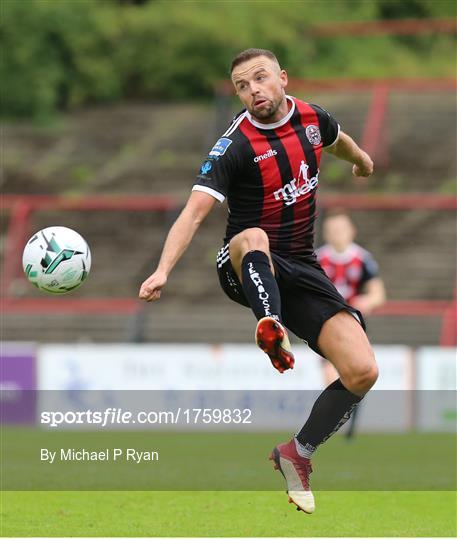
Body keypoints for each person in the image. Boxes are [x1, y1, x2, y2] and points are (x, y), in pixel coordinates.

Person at [139, 48, 378, 514]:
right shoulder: (234, 145)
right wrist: (163, 269)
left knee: (363, 369)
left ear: (282, 79)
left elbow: (337, 139)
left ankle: (298, 453)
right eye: (243, 86)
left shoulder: (310, 117)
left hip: (302, 267)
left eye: (261, 79)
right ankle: (271, 328)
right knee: (252, 234)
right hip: (243, 263)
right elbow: (192, 214)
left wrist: (363, 161)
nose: (254, 91)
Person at [317, 209, 386, 438]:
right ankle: (330, 426)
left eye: (341, 229)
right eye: (333, 230)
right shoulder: (317, 259)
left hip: (355, 326)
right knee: (331, 378)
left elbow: (378, 294)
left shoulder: (362, 259)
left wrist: (367, 300)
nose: (337, 234)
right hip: (326, 326)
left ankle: (349, 423)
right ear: (326, 233)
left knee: (354, 376)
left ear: (351, 232)